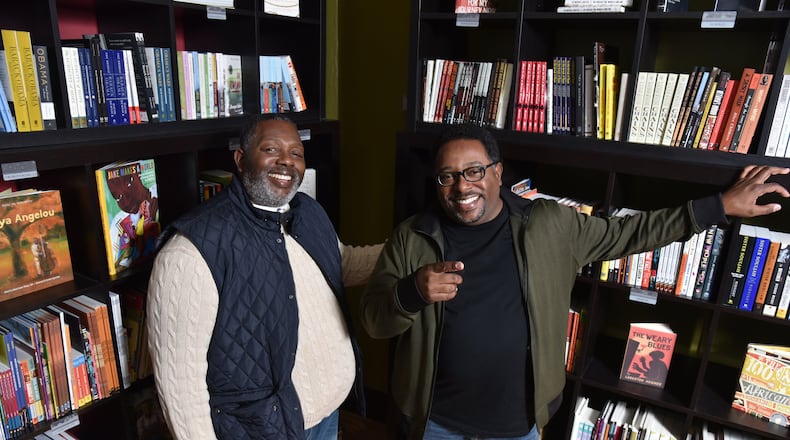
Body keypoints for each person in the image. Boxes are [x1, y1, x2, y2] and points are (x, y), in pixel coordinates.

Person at [360, 123, 790, 440]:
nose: (461, 186)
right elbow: (375, 322)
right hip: (435, 424)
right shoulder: (412, 236)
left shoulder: (549, 225)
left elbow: (631, 233)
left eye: (473, 171)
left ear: (497, 172)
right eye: (447, 176)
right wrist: (411, 292)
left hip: (517, 426)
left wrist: (719, 206)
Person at [146, 115, 382, 440]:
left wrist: (411, 251)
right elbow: (181, 389)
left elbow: (342, 264)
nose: (286, 161)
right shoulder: (190, 251)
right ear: (241, 160)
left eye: (296, 153)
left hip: (328, 416)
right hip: (265, 431)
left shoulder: (307, 211)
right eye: (271, 149)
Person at [106, 165, 160, 271]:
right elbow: (117, 266)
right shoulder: (118, 224)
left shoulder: (156, 197)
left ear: (139, 175)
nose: (126, 201)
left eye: (129, 184)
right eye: (118, 197)